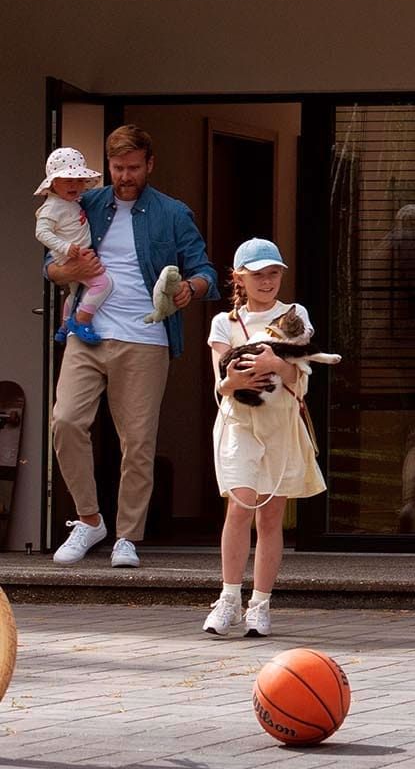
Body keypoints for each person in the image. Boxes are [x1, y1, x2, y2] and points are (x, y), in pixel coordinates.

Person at [45, 125, 217, 568]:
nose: (124, 176)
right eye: (117, 168)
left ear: (150, 165)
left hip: (145, 337)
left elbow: (205, 271)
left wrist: (190, 291)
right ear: (107, 165)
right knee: (64, 421)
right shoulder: (86, 203)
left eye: (133, 168)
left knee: (137, 440)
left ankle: (127, 536)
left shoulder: (173, 213)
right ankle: (88, 520)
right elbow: (52, 269)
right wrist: (70, 270)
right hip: (89, 330)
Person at [203, 239, 326, 639]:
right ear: (240, 277)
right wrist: (234, 381)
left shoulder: (295, 315)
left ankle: (261, 604)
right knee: (240, 506)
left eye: (273, 273)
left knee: (271, 516)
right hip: (240, 422)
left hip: (281, 423)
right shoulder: (225, 322)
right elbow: (220, 384)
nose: (268, 281)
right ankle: (228, 599)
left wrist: (277, 363)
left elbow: (301, 375)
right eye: (258, 274)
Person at [35, 148, 112, 346]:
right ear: (53, 183)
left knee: (76, 293)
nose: (75, 185)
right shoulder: (52, 207)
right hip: (73, 257)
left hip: (78, 253)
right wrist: (66, 248)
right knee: (103, 284)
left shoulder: (71, 202)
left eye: (79, 180)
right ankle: (82, 321)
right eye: (68, 180)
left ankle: (64, 327)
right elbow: (41, 233)